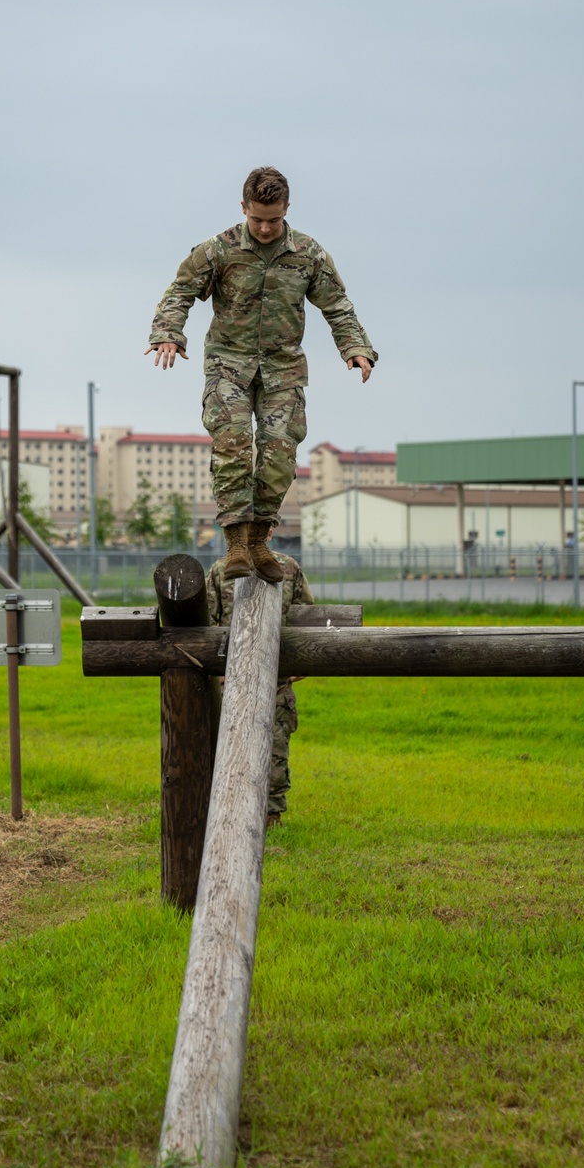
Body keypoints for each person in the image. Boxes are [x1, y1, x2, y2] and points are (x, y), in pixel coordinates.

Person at [144, 165, 376, 583]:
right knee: (233, 444)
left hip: (282, 368)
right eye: (257, 219)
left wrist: (355, 347)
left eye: (274, 219)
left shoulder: (309, 254)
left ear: (287, 209)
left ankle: (258, 540)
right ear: (243, 208)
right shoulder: (218, 250)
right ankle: (235, 542)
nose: (266, 228)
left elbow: (337, 305)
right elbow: (179, 292)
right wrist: (168, 333)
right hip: (228, 365)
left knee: (279, 456)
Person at [206, 531, 313, 824]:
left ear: (271, 530)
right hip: (234, 683)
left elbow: (307, 619)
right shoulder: (220, 572)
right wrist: (218, 675)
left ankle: (270, 817)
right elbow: (206, 627)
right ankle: (230, 815)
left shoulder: (288, 569)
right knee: (230, 752)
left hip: (276, 682)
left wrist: (301, 663)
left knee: (275, 750)